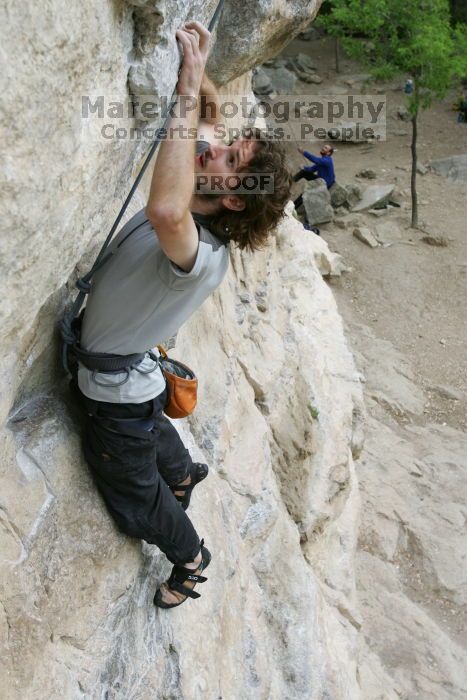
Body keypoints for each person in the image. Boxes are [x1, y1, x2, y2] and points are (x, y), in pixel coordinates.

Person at [70, 21, 292, 609]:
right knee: (148, 425)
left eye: (227, 156)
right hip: (133, 380)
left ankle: (190, 558)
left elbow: (166, 210)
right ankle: (186, 472)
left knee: (133, 494)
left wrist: (189, 86)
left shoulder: (200, 252)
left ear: (235, 197)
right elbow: (212, 111)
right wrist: (200, 63)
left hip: (115, 393)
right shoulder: (204, 180)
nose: (210, 146)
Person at [292, 144, 335, 234]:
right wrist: (304, 168)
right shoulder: (322, 160)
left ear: (329, 153)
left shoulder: (327, 161)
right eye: (324, 147)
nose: (323, 148)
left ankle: (293, 207)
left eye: (326, 148)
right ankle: (289, 182)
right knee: (304, 172)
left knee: (305, 193)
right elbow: (312, 169)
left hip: (324, 184)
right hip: (319, 180)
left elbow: (314, 159)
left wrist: (303, 152)